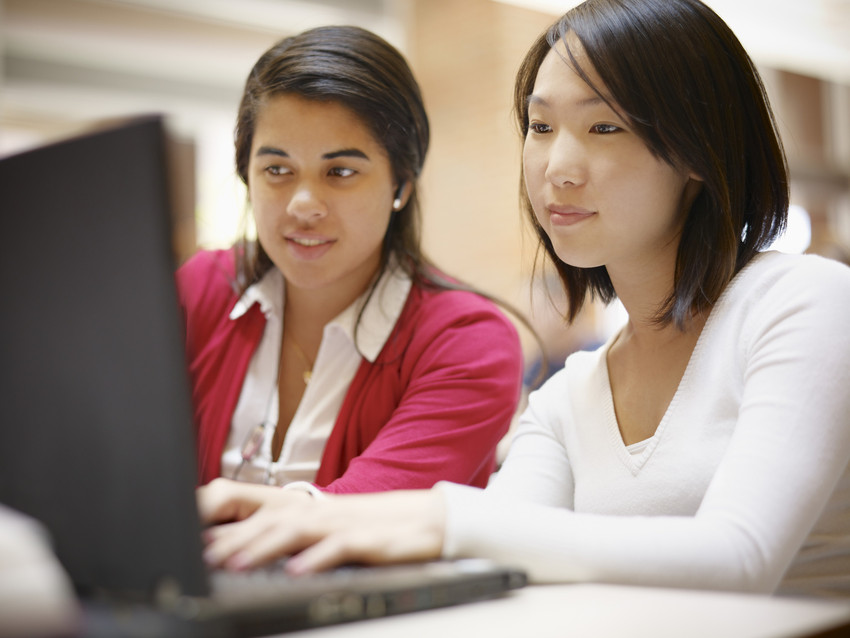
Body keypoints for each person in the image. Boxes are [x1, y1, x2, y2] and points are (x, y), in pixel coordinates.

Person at [197, 0, 850, 598]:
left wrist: (437, 516)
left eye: (604, 127)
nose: (556, 166)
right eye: (540, 125)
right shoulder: (574, 394)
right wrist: (322, 518)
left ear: (699, 150)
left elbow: (741, 557)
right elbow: (492, 554)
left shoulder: (801, 302)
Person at [176, 25, 525, 497]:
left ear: (400, 184)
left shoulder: (466, 343)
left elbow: (363, 519)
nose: (303, 204)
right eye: (277, 170)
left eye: (340, 171)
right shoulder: (198, 290)